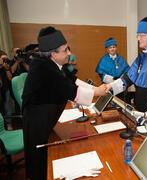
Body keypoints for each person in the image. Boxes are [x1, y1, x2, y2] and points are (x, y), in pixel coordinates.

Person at [22, 26, 108, 180]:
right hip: (37, 122)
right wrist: (98, 92)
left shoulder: (53, 64)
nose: (69, 53)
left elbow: (74, 80)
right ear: (53, 54)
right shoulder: (44, 68)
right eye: (65, 50)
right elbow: (73, 91)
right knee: (41, 165)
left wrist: (96, 89)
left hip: (47, 118)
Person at [0, 50, 13, 130]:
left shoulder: (6, 67)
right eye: (3, 59)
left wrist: (7, 69)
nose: (5, 61)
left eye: (6, 59)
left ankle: (9, 124)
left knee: (7, 108)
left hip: (5, 89)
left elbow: (10, 78)